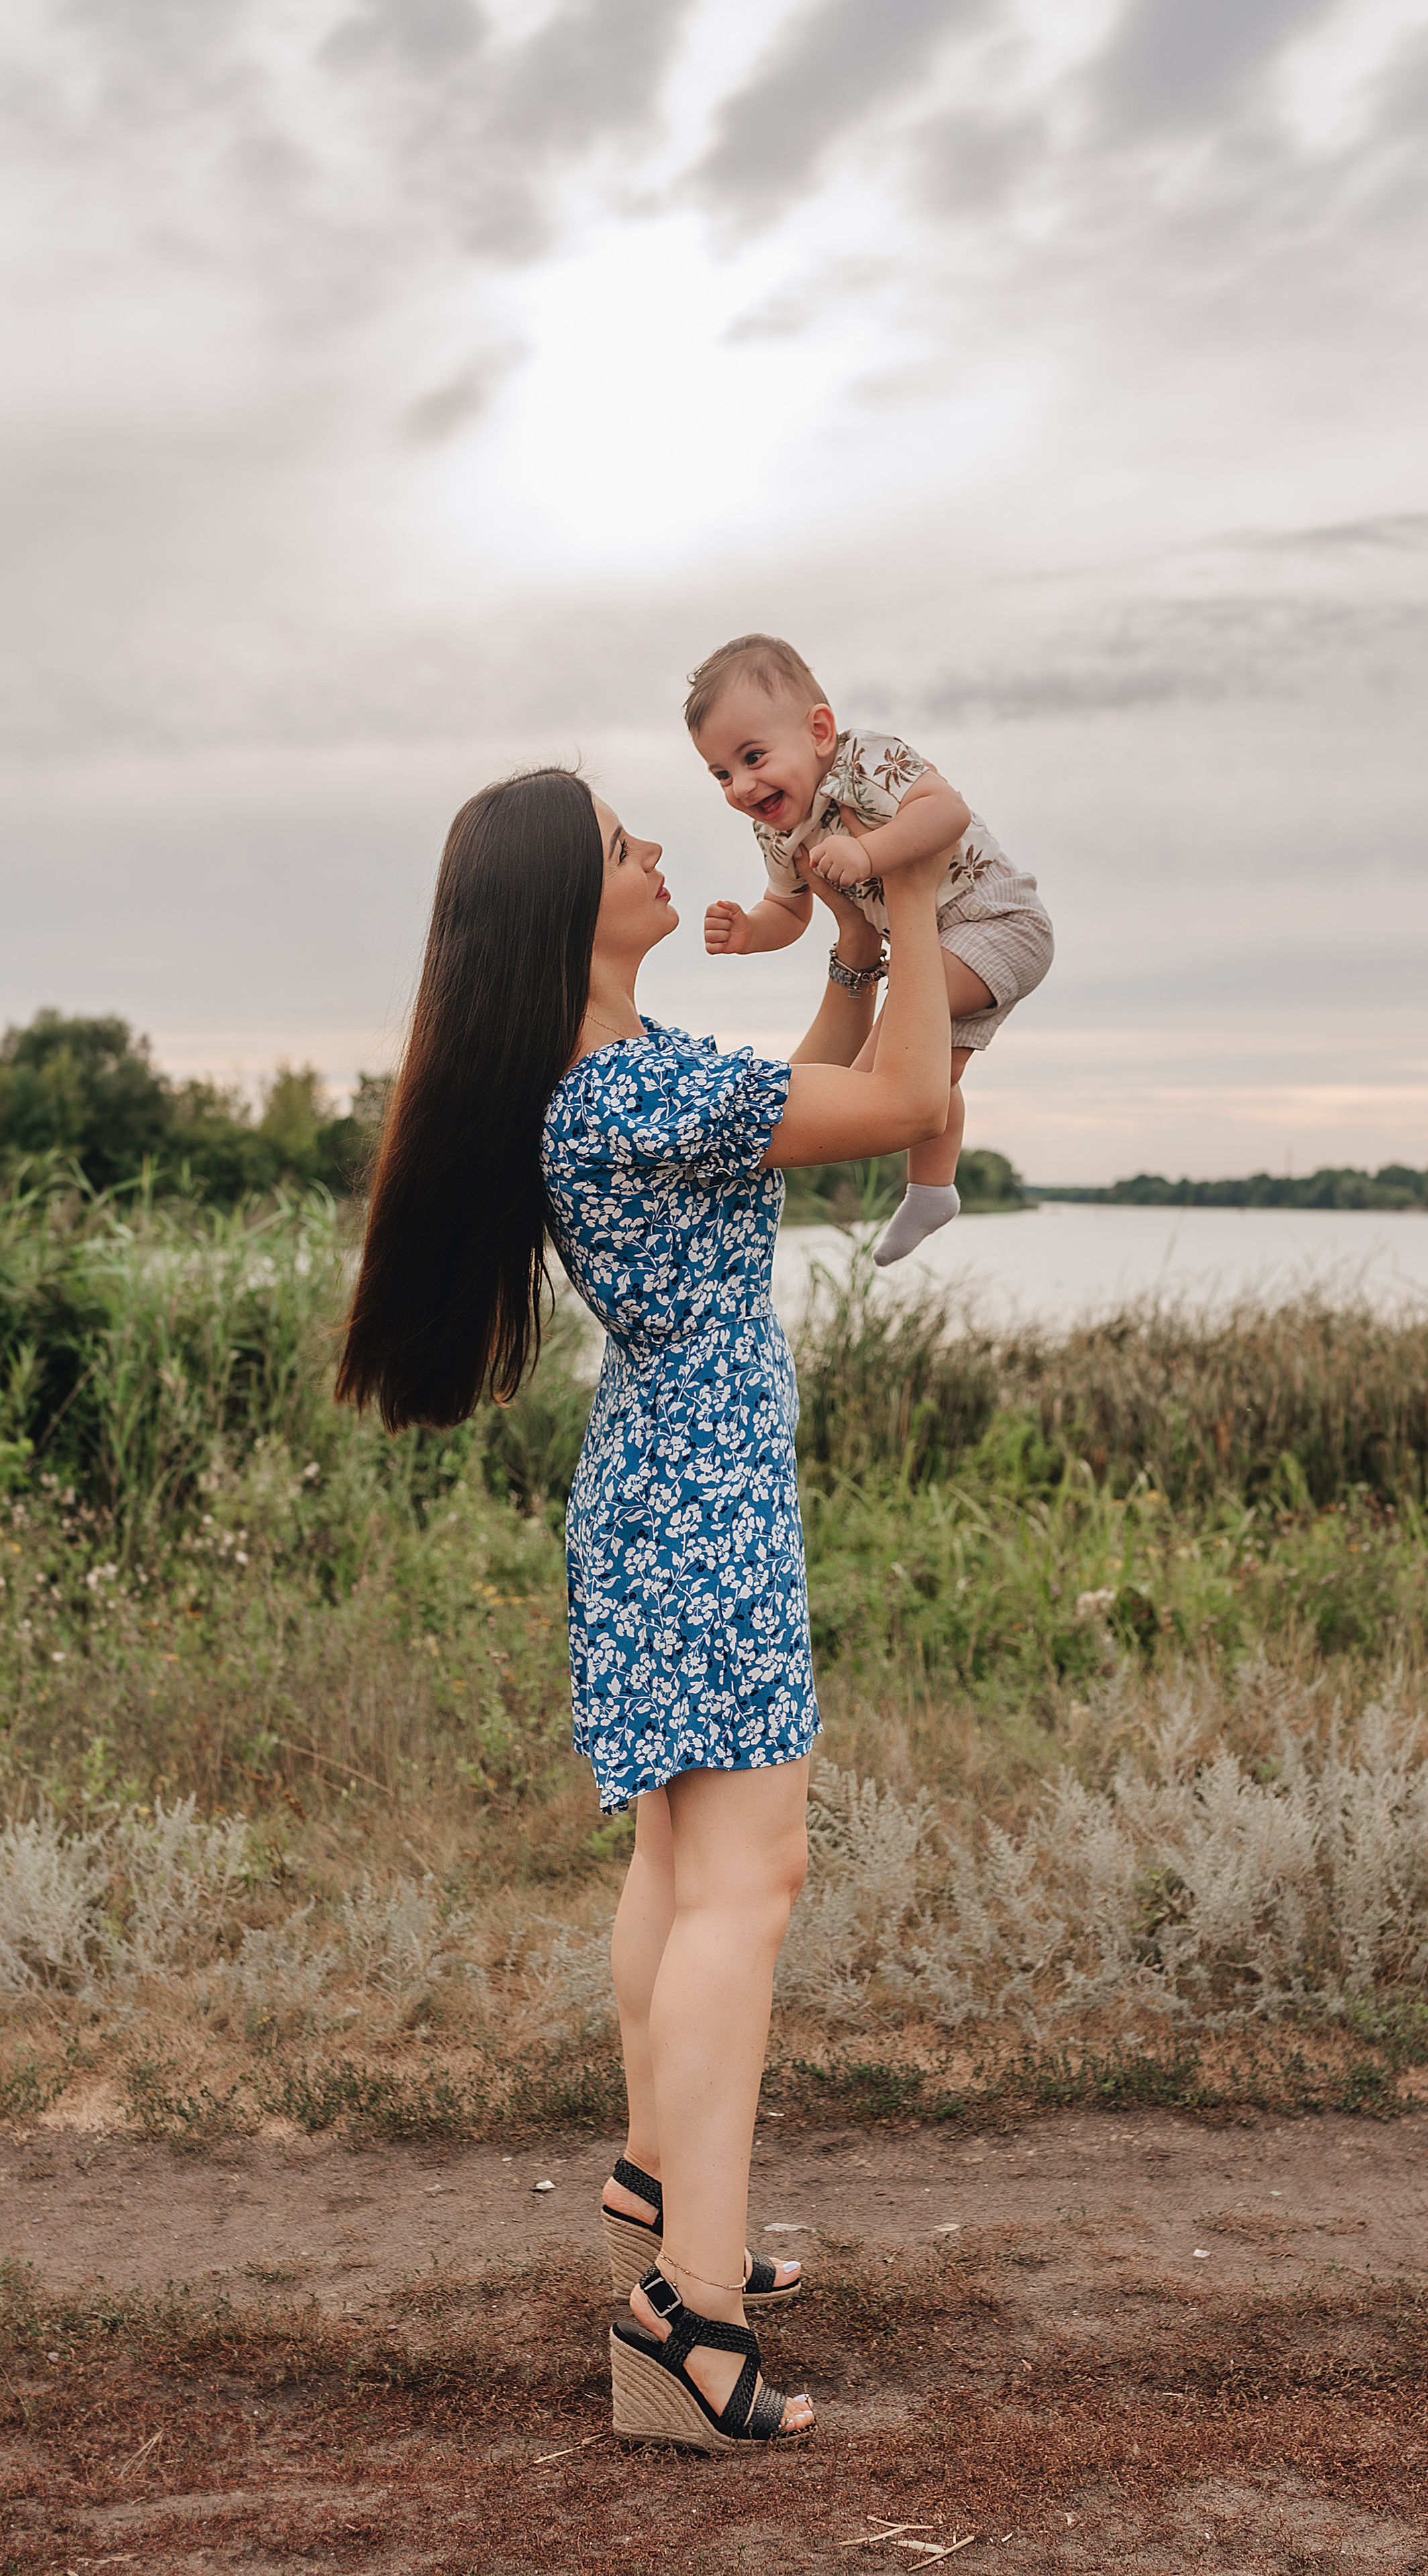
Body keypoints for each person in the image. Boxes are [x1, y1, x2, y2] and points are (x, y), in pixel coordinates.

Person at [335, 765, 950, 2455]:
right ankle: (686, 2318)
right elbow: (907, 1101)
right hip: (700, 1501)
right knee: (746, 1884)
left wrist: (840, 941)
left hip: (663, 1485)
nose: (661, 846)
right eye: (623, 841)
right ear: (562, 908)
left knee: (683, 1871)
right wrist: (911, 869)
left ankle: (664, 2194)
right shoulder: (627, 1094)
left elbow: (820, 1083)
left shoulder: (622, 1081)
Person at [688, 633, 1054, 1266]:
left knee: (874, 1078)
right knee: (932, 1072)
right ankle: (933, 1189)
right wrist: (750, 931)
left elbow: (947, 812)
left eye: (753, 756)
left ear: (820, 731)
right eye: (722, 773)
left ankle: (886, 1151)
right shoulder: (778, 833)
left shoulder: (867, 762)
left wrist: (869, 853)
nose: (742, 786)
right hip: (939, 943)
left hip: (995, 918)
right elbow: (790, 909)